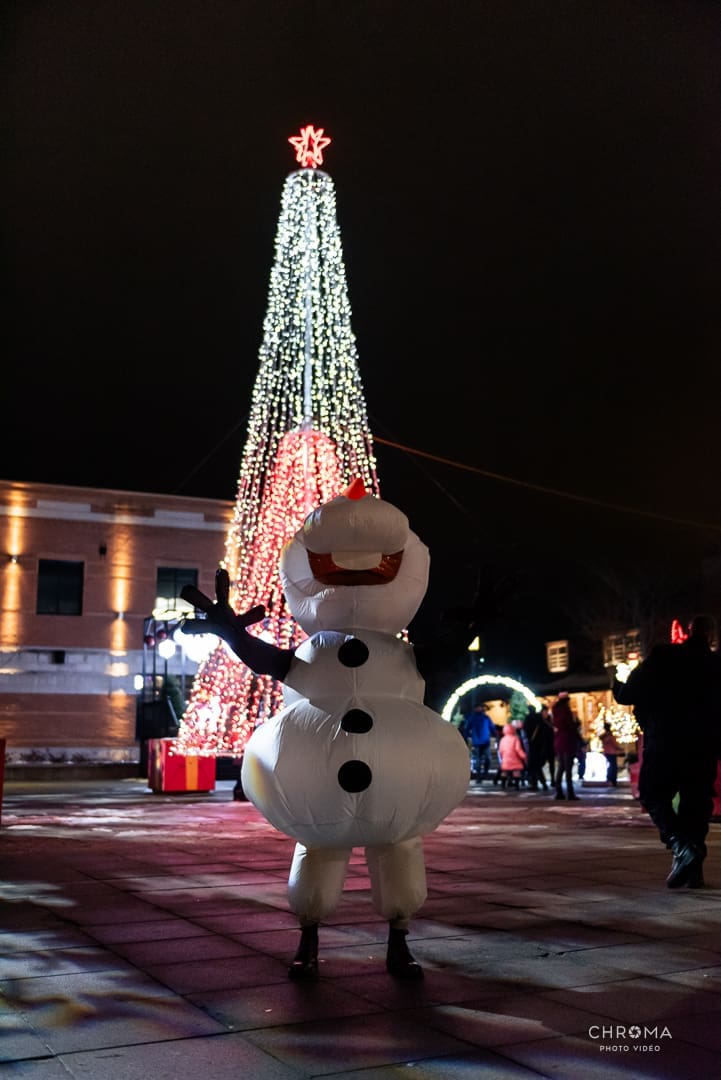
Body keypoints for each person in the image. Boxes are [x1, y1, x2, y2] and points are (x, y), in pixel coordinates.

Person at [613, 614, 721, 889]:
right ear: (708, 635)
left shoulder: (664, 657)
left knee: (652, 793)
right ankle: (693, 869)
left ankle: (680, 846)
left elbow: (628, 693)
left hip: (667, 741)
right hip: (705, 744)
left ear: (687, 631)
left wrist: (617, 682)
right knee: (695, 804)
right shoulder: (715, 664)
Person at [551, 691, 579, 800]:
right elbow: (570, 725)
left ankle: (559, 792)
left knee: (561, 767)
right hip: (568, 741)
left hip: (558, 741)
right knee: (568, 768)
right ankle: (570, 793)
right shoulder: (566, 711)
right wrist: (576, 724)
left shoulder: (555, 710)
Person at [461, 704, 494, 783]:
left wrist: (495, 734)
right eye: (478, 707)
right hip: (477, 743)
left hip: (485, 742)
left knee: (487, 759)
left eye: (480, 707)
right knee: (478, 760)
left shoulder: (486, 718)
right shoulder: (472, 718)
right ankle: (479, 777)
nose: (479, 708)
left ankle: (484, 773)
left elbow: (492, 727)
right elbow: (467, 729)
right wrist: (468, 737)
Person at [524, 706, 550, 791]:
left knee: (534, 766)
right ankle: (543, 783)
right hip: (541, 745)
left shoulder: (528, 718)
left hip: (533, 744)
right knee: (537, 766)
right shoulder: (540, 719)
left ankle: (535, 784)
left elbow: (526, 730)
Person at [497, 723, 527, 788]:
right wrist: (524, 756)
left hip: (505, 759)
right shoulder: (515, 739)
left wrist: (502, 757)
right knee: (516, 771)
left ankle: (503, 785)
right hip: (515, 759)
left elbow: (500, 750)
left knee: (504, 771)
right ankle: (517, 786)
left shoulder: (502, 739)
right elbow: (518, 749)